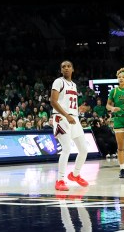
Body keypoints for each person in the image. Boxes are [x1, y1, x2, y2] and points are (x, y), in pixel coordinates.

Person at [49, 61, 89, 191]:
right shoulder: (58, 82)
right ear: (61, 70)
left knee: (83, 149)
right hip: (61, 118)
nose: (66, 68)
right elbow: (53, 102)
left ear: (73, 69)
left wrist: (78, 109)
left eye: (68, 66)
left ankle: (75, 175)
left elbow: (67, 103)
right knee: (66, 149)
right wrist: (67, 115)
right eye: (63, 67)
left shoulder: (74, 85)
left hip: (73, 118)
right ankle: (60, 180)